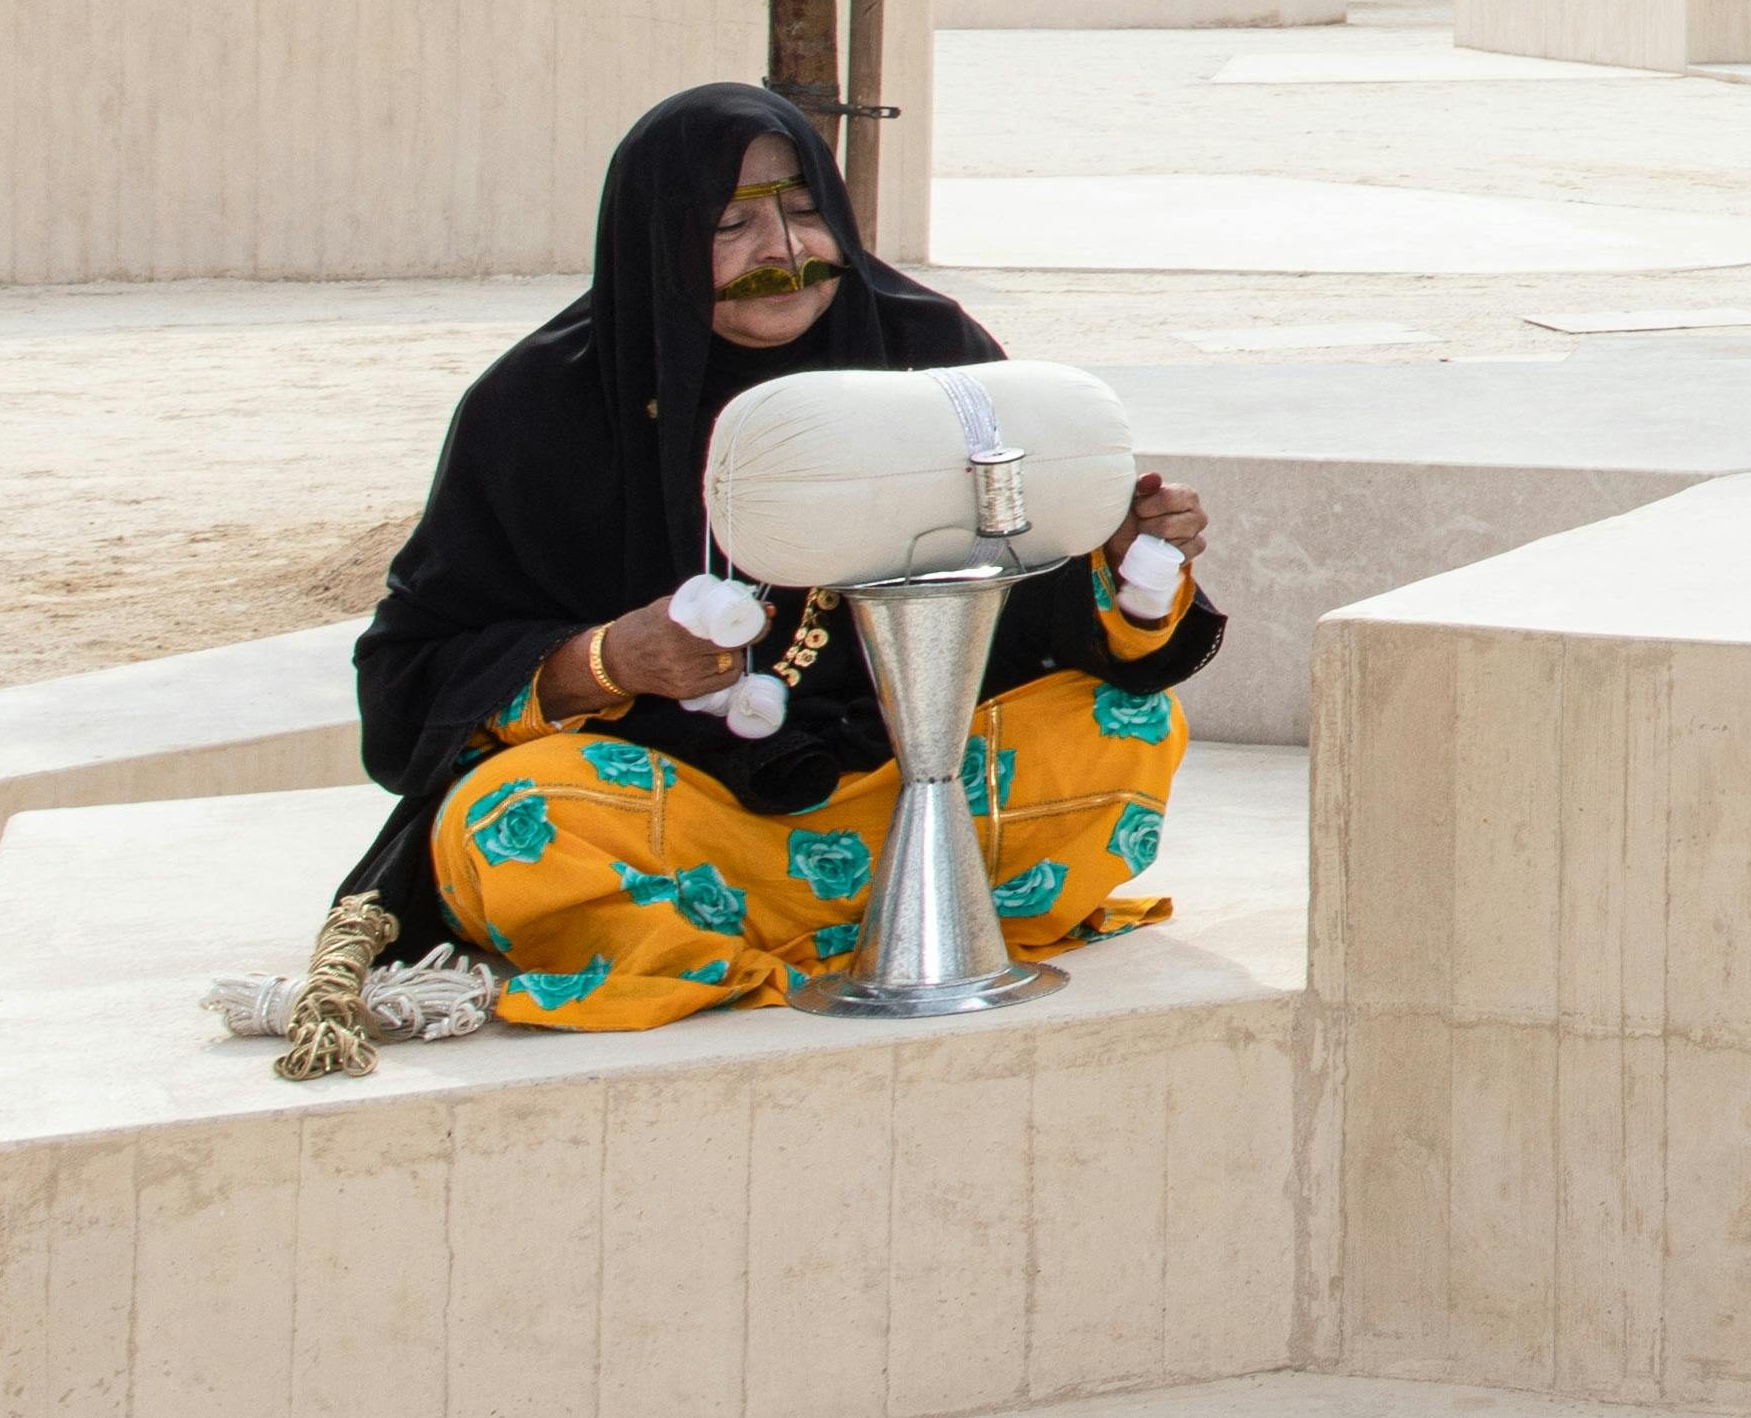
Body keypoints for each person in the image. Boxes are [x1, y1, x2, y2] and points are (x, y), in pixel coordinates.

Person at [337, 82, 1226, 1029]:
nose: (786, 253)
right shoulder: (540, 409)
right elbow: (407, 679)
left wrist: (1124, 562)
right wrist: (604, 661)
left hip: (907, 787)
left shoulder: (928, 353)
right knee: (508, 821)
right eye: (733, 224)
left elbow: (1032, 611)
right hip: (686, 811)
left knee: (1122, 729)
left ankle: (847, 920)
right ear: (657, 238)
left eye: (806, 211)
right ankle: (810, 928)